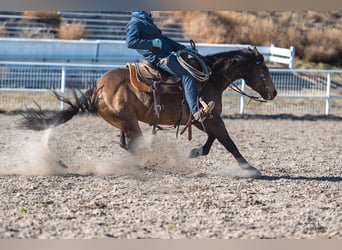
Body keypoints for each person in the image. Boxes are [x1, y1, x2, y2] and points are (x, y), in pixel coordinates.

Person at [126, 11, 214, 122]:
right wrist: (151, 44)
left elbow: (164, 40)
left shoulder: (146, 20)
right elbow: (130, 41)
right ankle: (196, 112)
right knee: (187, 75)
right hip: (158, 57)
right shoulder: (136, 22)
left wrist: (182, 48)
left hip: (164, 54)